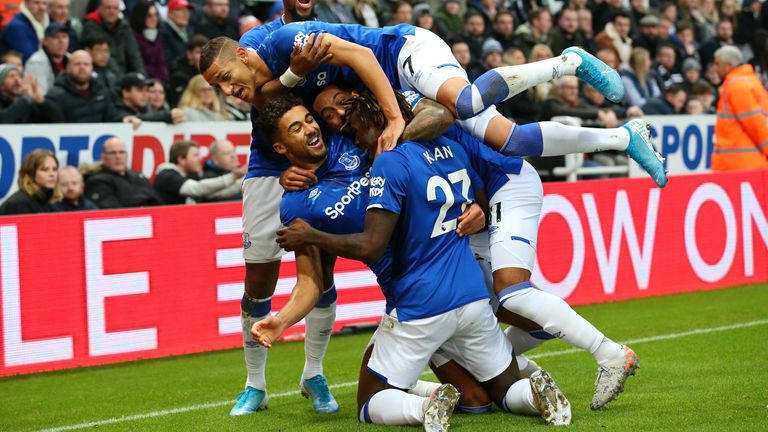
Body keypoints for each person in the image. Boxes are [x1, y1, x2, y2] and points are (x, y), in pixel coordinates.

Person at [309, 83, 642, 410]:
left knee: (515, 294)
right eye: (329, 115)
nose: (340, 120)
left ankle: (609, 353)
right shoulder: (414, 142)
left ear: (366, 103)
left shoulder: (402, 110)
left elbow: (442, 113)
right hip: (465, 254)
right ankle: (520, 377)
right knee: (478, 398)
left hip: (504, 185)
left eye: (343, 108)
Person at [255, 93, 572, 429]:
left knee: (370, 401)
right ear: (280, 147)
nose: (311, 127)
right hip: (465, 291)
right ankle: (532, 392)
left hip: (416, 300)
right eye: (296, 127)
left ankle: (426, 406)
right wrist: (282, 320)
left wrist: (311, 235)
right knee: (482, 400)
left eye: (309, 119)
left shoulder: (364, 146)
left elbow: (372, 244)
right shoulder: (301, 200)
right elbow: (310, 281)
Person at [200, 21, 667, 187]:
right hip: (398, 88)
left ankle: (568, 61)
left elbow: (362, 55)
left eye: (225, 78)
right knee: (512, 141)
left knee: (462, 102)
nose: (227, 90)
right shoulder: (269, 83)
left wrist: (390, 120)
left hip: (402, 51)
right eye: (217, 87)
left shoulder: (285, 39)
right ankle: (625, 137)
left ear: (242, 55)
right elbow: (269, 112)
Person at [223, 0, 342, 417]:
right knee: (260, 278)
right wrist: (295, 73)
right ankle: (255, 385)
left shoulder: (334, 31)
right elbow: (254, 96)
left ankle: (313, 373)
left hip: (318, 166)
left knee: (321, 274)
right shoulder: (256, 40)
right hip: (266, 170)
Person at [711, 45, 768, 171]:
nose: (715, 68)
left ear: (729, 66)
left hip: (740, 165)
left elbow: (755, 124)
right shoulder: (748, 81)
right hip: (747, 162)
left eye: (717, 64)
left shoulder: (737, 86)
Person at [45, 50, 133, 124]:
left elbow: (112, 115)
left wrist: (124, 118)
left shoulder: (101, 91)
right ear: (68, 68)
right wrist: (40, 103)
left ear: (92, 68)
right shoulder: (56, 95)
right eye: (77, 64)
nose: (82, 67)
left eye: (86, 64)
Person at [153, 140, 245, 204]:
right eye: (195, 155)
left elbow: (217, 194)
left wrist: (247, 179)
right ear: (181, 159)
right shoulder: (167, 176)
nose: (200, 159)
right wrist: (233, 176)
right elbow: (197, 189)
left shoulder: (192, 176)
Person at [83, 136, 164, 208]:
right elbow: (112, 211)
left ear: (126, 155)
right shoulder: (97, 181)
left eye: (121, 152)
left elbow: (158, 203)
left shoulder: (138, 176)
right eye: (113, 153)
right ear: (103, 157)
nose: (118, 157)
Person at [82, 0, 145, 75]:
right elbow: (105, 58)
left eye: (115, 8)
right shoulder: (91, 27)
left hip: (125, 76)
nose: (112, 11)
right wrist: (122, 81)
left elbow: (134, 56)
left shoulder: (124, 27)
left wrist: (141, 78)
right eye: (108, 8)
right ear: (99, 8)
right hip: (102, 75)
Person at [0, 149, 61, 215]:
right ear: (30, 173)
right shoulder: (19, 204)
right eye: (45, 169)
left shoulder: (49, 203)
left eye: (54, 169)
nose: (52, 174)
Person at [115, 72, 185, 123]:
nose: (145, 94)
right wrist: (168, 116)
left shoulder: (144, 110)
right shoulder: (115, 111)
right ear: (126, 93)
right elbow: (131, 118)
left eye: (146, 90)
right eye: (140, 90)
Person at [24, 22, 70, 95]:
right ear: (45, 41)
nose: (61, 41)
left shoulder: (72, 59)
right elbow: (40, 95)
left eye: (64, 36)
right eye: (56, 37)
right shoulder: (36, 62)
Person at [129, 0, 168, 82]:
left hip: (160, 81)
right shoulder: (132, 37)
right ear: (141, 17)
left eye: (155, 15)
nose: (153, 19)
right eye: (149, 16)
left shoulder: (159, 37)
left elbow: (162, 64)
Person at [160, 0, 196, 68]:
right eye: (180, 10)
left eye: (187, 11)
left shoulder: (190, 31)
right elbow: (167, 60)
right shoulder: (163, 33)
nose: (185, 14)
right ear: (170, 13)